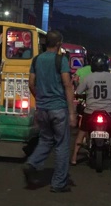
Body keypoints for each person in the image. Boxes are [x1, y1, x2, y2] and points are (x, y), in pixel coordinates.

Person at [22, 30, 77, 193]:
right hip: (58, 109)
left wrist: (39, 98)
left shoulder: (37, 59)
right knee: (61, 145)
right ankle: (59, 183)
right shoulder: (61, 60)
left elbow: (31, 83)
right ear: (59, 44)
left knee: (45, 140)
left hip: (42, 109)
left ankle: (32, 164)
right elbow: (67, 85)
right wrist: (72, 112)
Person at [70, 53, 111, 167]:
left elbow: (78, 93)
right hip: (108, 111)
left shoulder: (89, 77)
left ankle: (74, 158)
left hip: (90, 111)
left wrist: (81, 96)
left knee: (82, 133)